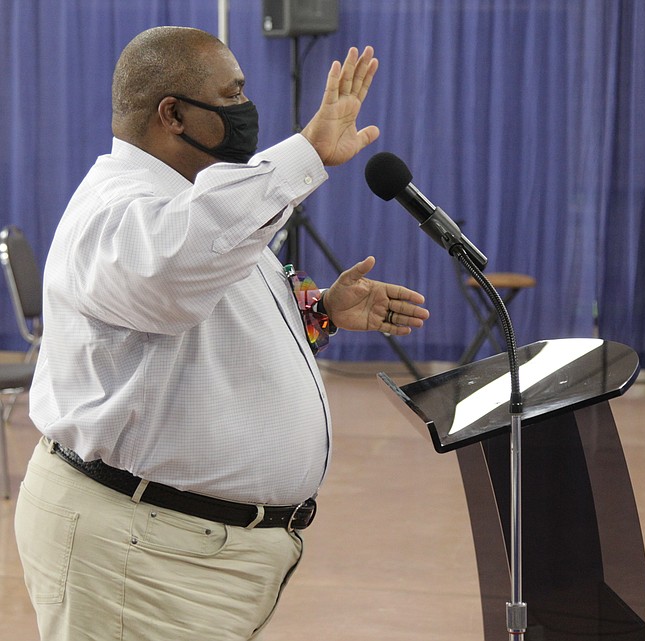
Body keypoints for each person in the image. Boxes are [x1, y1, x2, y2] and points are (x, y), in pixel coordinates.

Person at [14, 26, 429, 641]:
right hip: (141, 559)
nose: (245, 110)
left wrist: (321, 314)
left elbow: (208, 325)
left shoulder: (196, 202)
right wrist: (305, 153)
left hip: (188, 555)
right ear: (173, 114)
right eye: (231, 95)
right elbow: (176, 268)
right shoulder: (118, 209)